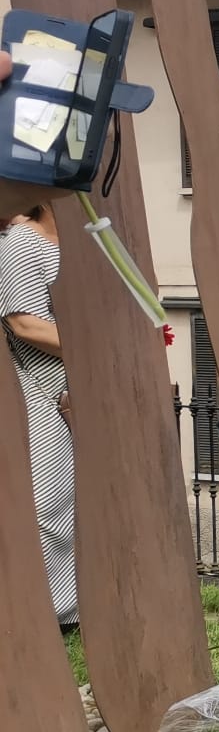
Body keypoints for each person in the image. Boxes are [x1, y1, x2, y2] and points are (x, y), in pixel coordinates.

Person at [2, 204, 76, 627]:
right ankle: (47, 615)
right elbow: (23, 322)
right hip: (40, 390)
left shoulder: (88, 242)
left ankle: (77, 604)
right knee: (48, 500)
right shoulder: (23, 241)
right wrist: (98, 342)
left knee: (81, 502)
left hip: (91, 389)